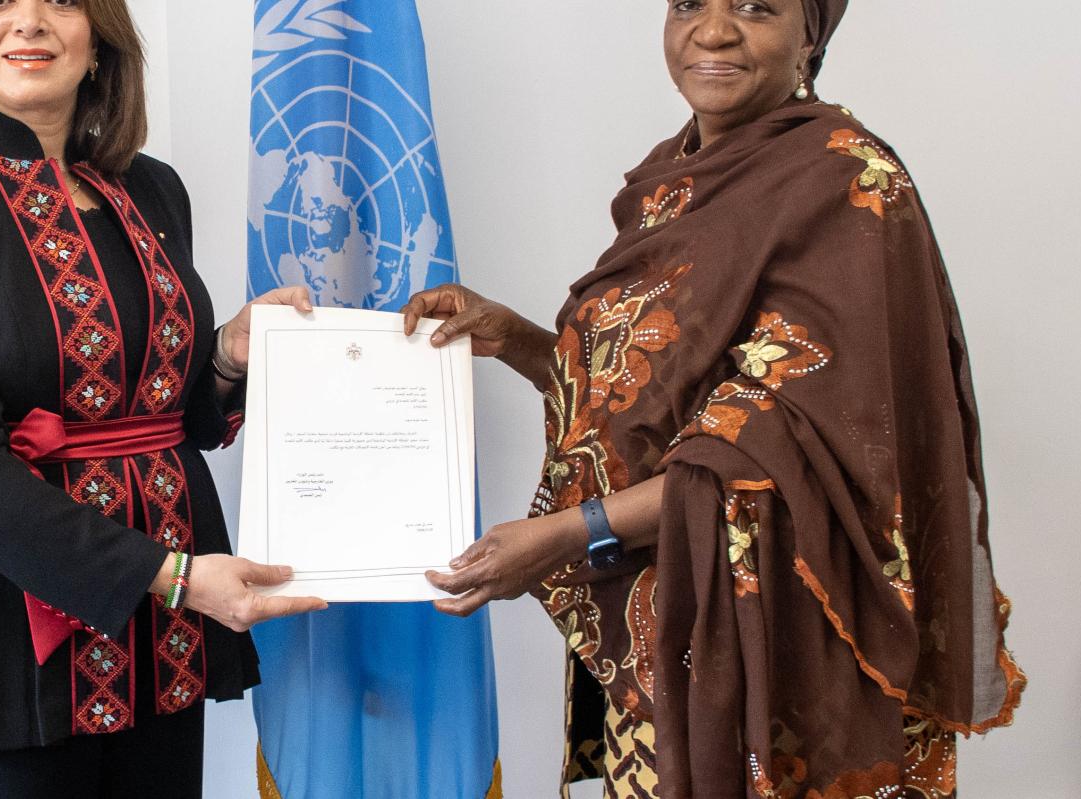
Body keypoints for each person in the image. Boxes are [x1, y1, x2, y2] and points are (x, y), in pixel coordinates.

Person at [404, 1, 1025, 796]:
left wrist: (569, 532)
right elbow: (654, 388)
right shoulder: (676, 177)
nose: (715, 30)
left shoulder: (850, 184)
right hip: (665, 631)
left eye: (756, 8)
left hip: (778, 645)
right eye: (690, 3)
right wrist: (517, 340)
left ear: (811, 35)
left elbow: (772, 447)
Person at [0, 1, 325, 795]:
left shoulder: (154, 189)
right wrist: (170, 575)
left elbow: (166, 416)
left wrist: (228, 357)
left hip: (163, 632)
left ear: (99, 38)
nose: (29, 21)